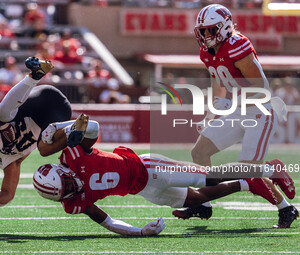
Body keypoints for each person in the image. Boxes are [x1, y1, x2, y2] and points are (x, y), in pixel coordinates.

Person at [32, 113, 295, 236]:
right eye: (65, 191)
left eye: (67, 182)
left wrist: (68, 127)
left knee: (210, 176)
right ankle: (246, 183)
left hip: (149, 168)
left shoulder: (73, 155)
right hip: (144, 190)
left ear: (62, 170)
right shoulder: (73, 202)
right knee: (196, 199)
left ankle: (271, 170)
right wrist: (140, 232)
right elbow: (108, 222)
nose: (71, 188)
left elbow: (94, 126)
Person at [183, 4, 298, 228]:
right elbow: (217, 79)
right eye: (203, 30)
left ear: (225, 27)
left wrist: (230, 104)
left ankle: (281, 196)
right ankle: (204, 203)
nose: (206, 35)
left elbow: (261, 88)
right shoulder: (207, 51)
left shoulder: (239, 45)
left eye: (210, 29)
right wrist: (211, 112)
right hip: (238, 109)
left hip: (259, 111)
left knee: (248, 171)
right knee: (199, 152)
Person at [0, 57, 95, 208]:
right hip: (54, 117)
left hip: (41, 99)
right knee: (43, 148)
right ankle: (71, 130)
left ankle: (34, 75)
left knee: (2, 116)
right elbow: (8, 192)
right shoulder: (4, 157)